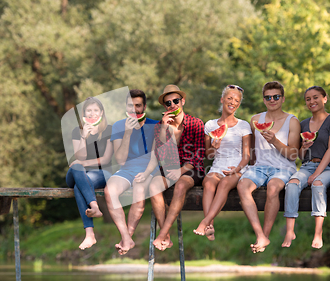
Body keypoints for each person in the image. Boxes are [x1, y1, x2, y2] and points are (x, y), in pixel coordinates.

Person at [86, 89, 158, 255]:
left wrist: (147, 173)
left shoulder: (155, 126)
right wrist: (127, 133)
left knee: (139, 191)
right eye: (130, 106)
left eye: (138, 106)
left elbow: (156, 156)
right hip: (126, 169)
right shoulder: (118, 126)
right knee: (109, 191)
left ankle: (128, 237)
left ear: (144, 106)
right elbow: (121, 160)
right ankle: (126, 237)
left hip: (149, 170)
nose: (134, 110)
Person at [237, 81, 300, 253]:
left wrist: (275, 141)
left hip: (284, 168)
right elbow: (251, 150)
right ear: (264, 100)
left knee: (273, 188)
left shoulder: (292, 121)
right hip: (259, 167)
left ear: (283, 98)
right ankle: (260, 235)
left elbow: (293, 155)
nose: (272, 100)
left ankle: (265, 235)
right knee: (242, 186)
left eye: (276, 97)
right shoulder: (256, 120)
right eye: (268, 97)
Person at [141, 84, 205, 251]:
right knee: (153, 185)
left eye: (175, 101)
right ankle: (166, 234)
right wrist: (163, 128)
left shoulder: (196, 123)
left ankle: (162, 234)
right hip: (169, 168)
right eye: (168, 103)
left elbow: (199, 156)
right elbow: (159, 154)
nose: (173, 105)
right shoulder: (159, 127)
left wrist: (180, 171)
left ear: (182, 101)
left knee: (182, 184)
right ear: (165, 107)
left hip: (191, 168)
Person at [282, 86, 330, 249]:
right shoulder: (303, 124)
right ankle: (290, 230)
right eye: (308, 99)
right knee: (292, 184)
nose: (312, 101)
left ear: (324, 98)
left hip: (329, 167)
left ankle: (318, 232)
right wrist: (305, 147)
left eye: (315, 97)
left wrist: (316, 173)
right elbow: (300, 156)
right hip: (307, 166)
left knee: (318, 185)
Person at [192, 85, 251, 240]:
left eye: (236, 100)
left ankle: (205, 222)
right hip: (218, 165)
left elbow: (247, 156)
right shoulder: (210, 125)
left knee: (225, 184)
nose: (232, 102)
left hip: (237, 167)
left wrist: (237, 169)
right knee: (208, 183)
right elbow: (209, 155)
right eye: (229, 98)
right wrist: (214, 146)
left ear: (239, 104)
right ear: (222, 99)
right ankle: (210, 226)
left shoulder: (243, 125)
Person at [66, 97, 113, 250]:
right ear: (83, 114)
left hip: (102, 173)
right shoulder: (77, 131)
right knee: (77, 170)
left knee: (79, 185)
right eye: (88, 111)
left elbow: (105, 159)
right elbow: (81, 157)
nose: (92, 113)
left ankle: (89, 234)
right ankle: (95, 206)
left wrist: (82, 164)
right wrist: (83, 136)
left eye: (95, 110)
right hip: (78, 173)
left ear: (101, 113)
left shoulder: (109, 130)